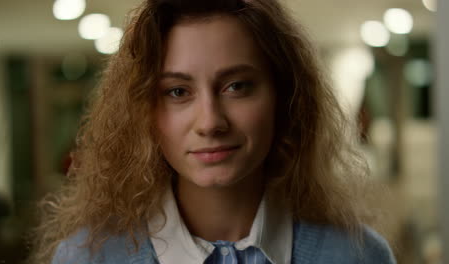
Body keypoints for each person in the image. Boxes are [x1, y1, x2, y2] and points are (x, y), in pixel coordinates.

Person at [30, 0, 396, 263]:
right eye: (177, 92)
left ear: (285, 97)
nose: (210, 123)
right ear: (142, 111)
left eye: (236, 86)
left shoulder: (358, 255)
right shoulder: (88, 258)